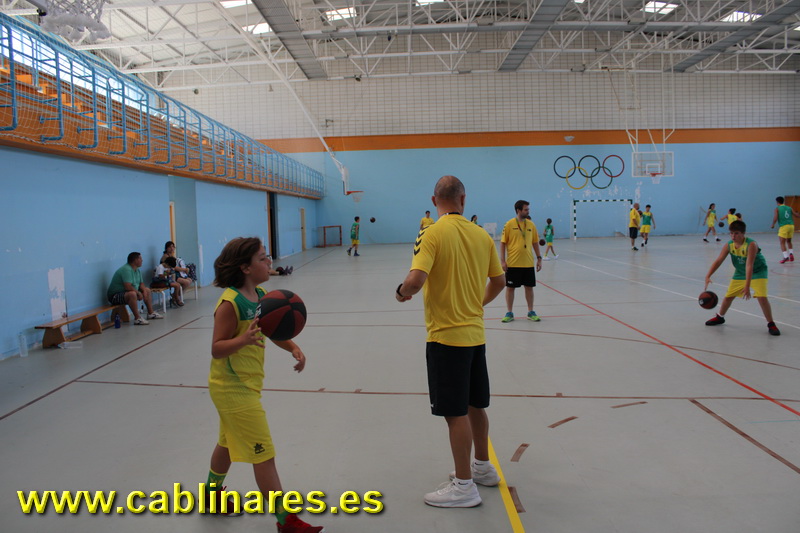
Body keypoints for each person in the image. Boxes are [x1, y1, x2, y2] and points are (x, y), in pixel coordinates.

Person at [395, 176, 505, 508]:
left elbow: (416, 280)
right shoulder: (481, 234)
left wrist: (401, 292)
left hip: (446, 337)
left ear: (434, 200)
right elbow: (499, 281)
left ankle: (464, 487)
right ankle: (483, 468)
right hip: (475, 335)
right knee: (475, 406)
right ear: (463, 199)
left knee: (455, 414)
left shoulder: (430, 232)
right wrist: (476, 304)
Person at [204, 237, 324, 532]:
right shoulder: (230, 304)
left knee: (227, 443)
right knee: (264, 453)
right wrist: (243, 340)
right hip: (231, 387)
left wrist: (292, 346)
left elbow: (270, 330)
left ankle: (211, 498)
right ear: (245, 267)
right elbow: (217, 348)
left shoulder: (260, 295)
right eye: (262, 258)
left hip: (247, 382)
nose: (269, 261)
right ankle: (286, 520)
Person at [703, 220, 780, 336]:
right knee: (728, 296)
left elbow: (749, 265)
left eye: (736, 233)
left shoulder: (751, 244)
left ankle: (771, 323)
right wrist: (708, 275)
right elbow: (719, 260)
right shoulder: (729, 245)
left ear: (743, 233)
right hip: (740, 272)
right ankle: (720, 317)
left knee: (762, 297)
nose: (733, 236)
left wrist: (747, 286)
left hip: (758, 271)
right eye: (731, 233)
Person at [499, 200, 543, 322]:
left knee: (529, 287)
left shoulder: (531, 225)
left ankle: (530, 311)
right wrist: (502, 261)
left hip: (528, 263)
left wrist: (539, 258)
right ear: (518, 210)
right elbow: (503, 243)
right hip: (513, 263)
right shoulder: (509, 224)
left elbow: (535, 242)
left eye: (528, 209)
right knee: (510, 288)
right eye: (526, 209)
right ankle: (509, 313)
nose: (528, 211)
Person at [107, 252, 164, 325]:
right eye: (140, 258)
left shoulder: (137, 270)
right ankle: (137, 318)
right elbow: (128, 286)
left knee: (147, 290)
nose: (142, 260)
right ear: (135, 260)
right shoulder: (126, 269)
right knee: (132, 294)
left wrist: (144, 291)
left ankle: (151, 313)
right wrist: (138, 293)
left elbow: (141, 284)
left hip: (126, 293)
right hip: (115, 296)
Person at [771, 196, 799, 263]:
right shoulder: (789, 208)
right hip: (791, 226)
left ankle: (786, 257)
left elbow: (775, 218)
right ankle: (791, 253)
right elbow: (796, 215)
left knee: (782, 242)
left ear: (777, 202)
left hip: (784, 226)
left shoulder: (777, 209)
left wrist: (773, 224)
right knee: (789, 241)